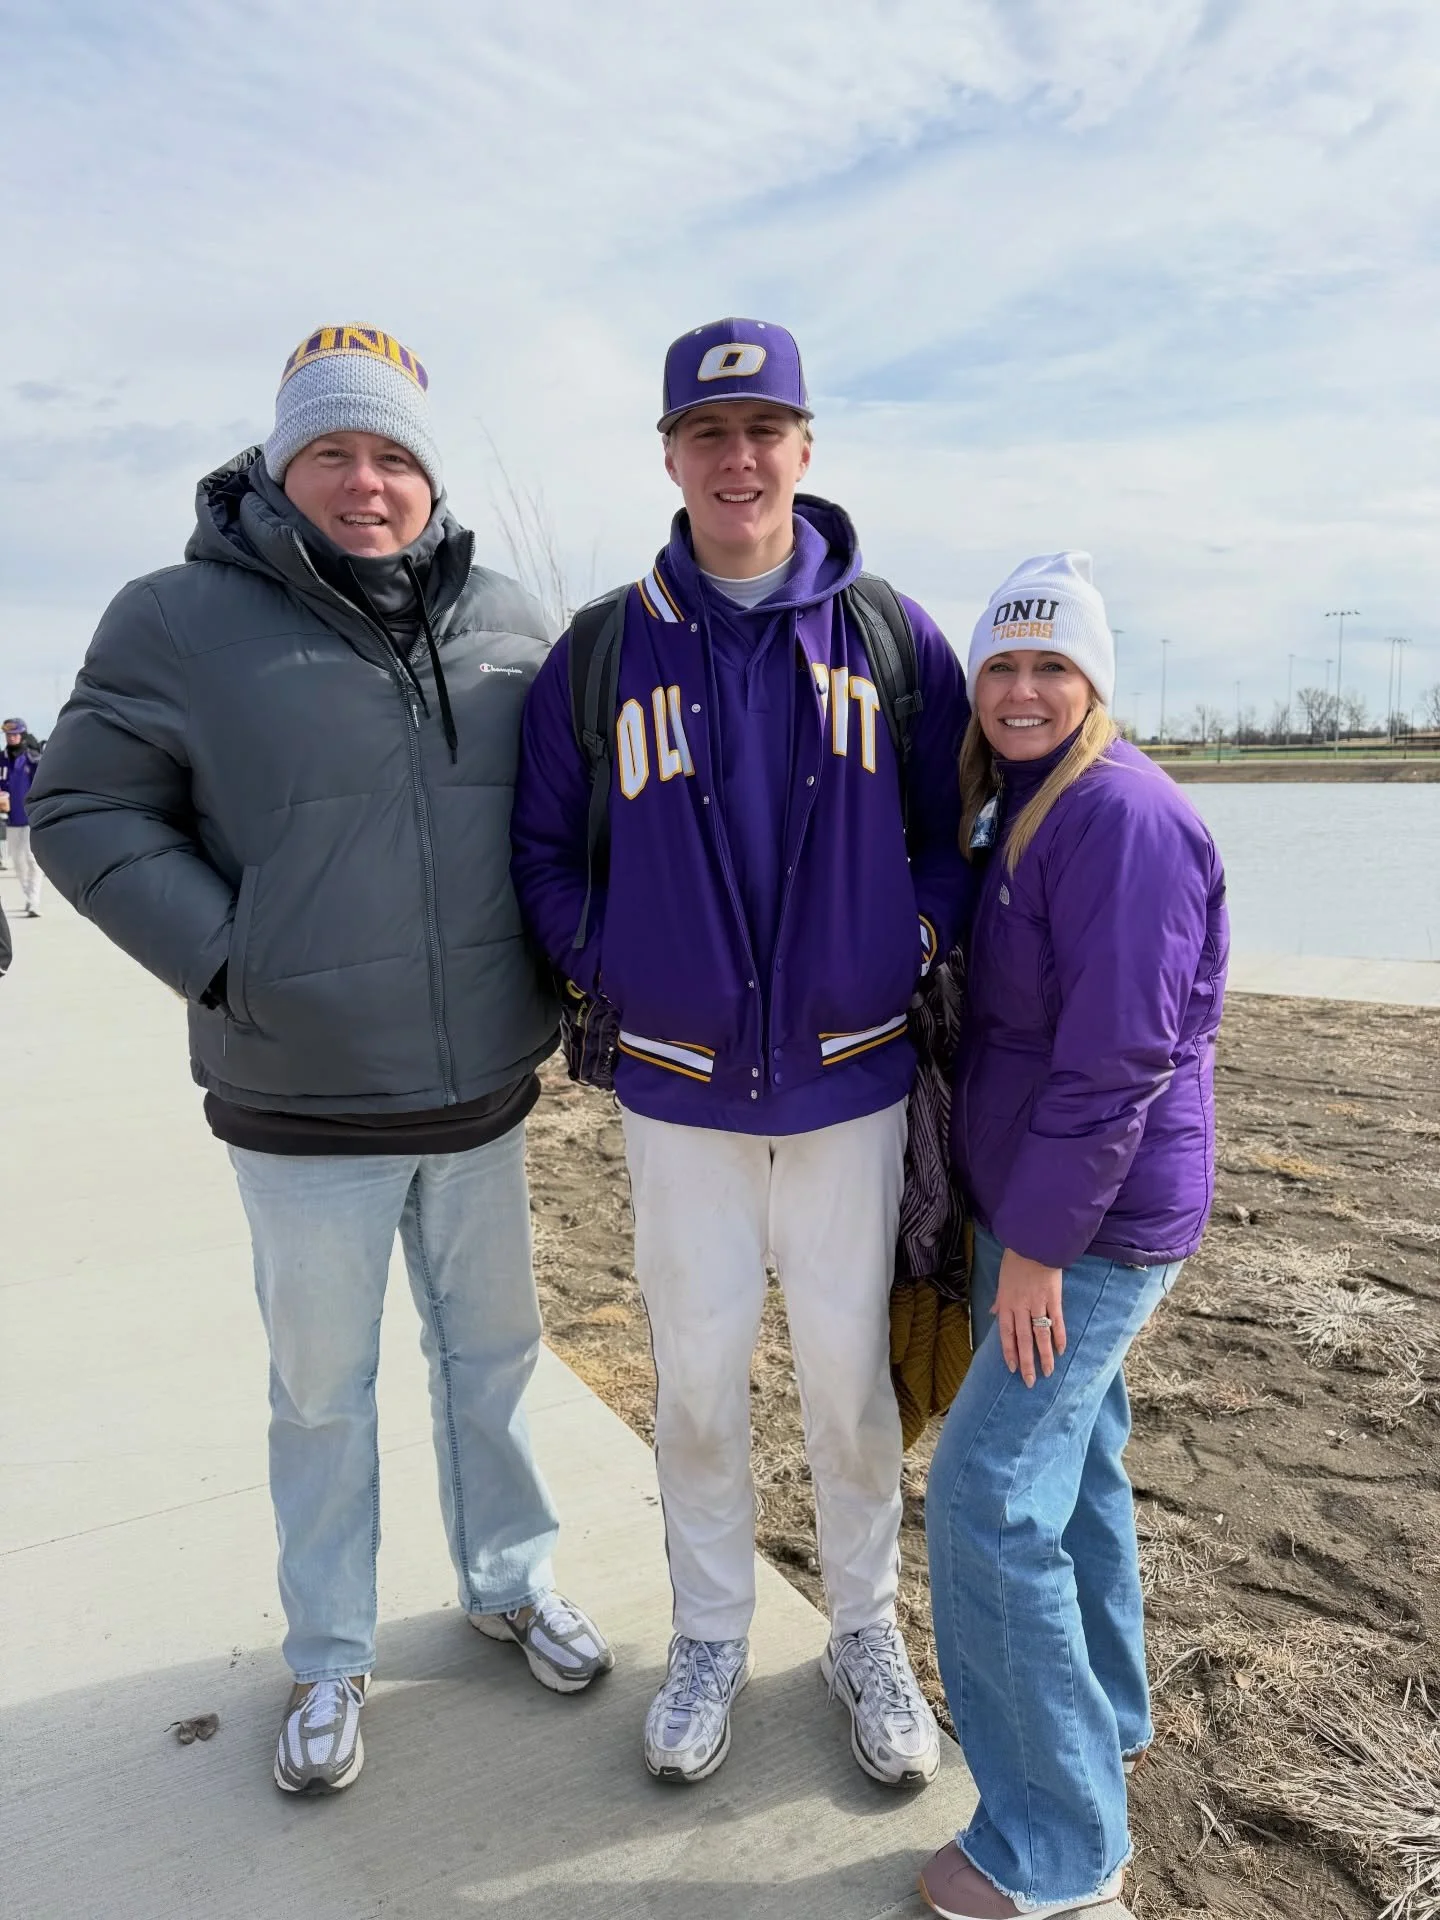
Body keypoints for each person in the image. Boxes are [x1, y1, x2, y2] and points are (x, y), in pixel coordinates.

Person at [29, 325, 611, 1797]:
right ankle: (333, 1652)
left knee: (491, 1361)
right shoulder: (175, 619)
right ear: (282, 468)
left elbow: (565, 815)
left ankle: (509, 1579)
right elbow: (84, 814)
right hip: (298, 1105)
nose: (369, 482)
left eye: (395, 455)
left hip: (481, 1087)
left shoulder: (506, 613)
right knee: (319, 1394)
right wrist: (234, 960)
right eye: (336, 452)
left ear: (430, 474)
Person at [512, 318, 972, 1787]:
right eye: (709, 433)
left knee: (848, 1385)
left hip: (852, 1080)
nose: (738, 456)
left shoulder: (891, 638)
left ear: (806, 447)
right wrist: (610, 961)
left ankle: (860, 1629)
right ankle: (710, 1631)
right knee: (700, 1380)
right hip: (682, 1093)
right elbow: (538, 850)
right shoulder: (602, 650)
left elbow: (952, 834)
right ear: (669, 454)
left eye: (764, 428)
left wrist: (905, 940)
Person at [917, 554, 1228, 1920]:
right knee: (1078, 1460)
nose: (1023, 690)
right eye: (1002, 668)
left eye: (1052, 667)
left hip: (1090, 1229)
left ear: (1095, 682)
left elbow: (1121, 1060)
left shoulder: (1120, 819)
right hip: (1044, 1208)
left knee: (986, 1502)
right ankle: (1101, 1716)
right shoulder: (1029, 805)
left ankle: (1057, 1849)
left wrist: (1037, 1249)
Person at [1, 720, 44, 915]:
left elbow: (44, 779)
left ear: (23, 735)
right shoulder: (1, 758)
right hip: (11, 818)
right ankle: (28, 894)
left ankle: (33, 901)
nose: (11, 737)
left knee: (31, 859)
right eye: (8, 735)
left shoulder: (31, 758)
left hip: (30, 818)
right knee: (17, 862)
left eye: (15, 734)